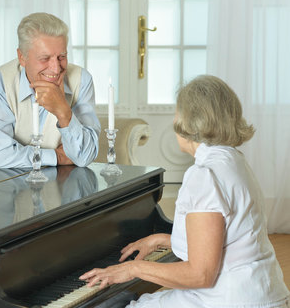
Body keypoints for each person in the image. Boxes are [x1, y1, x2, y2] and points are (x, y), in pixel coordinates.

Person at [80, 75, 290, 307]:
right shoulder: (234, 161)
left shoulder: (204, 175)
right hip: (263, 294)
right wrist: (163, 239)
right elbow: (228, 238)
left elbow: (200, 275)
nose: (174, 121)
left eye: (178, 112)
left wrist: (132, 269)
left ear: (191, 120)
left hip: (229, 300)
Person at [0, 12, 100, 168]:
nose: (56, 68)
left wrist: (63, 112)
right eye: (44, 58)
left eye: (62, 56)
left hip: (55, 180)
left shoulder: (81, 80)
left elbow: (85, 156)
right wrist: (57, 157)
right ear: (22, 57)